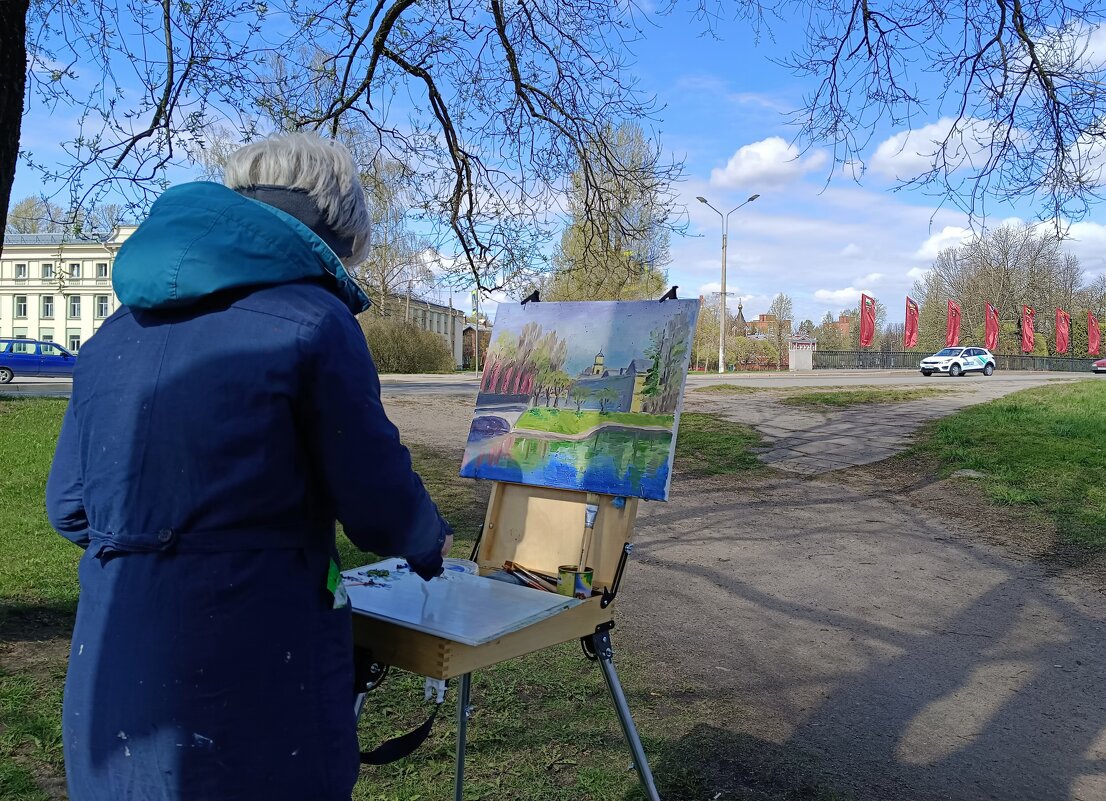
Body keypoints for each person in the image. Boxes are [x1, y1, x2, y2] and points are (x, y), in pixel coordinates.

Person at [45, 132, 453, 801]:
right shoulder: (315, 320)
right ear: (337, 230)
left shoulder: (112, 334)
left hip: (113, 673)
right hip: (255, 671)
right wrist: (430, 539)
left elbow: (70, 507)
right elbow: (379, 502)